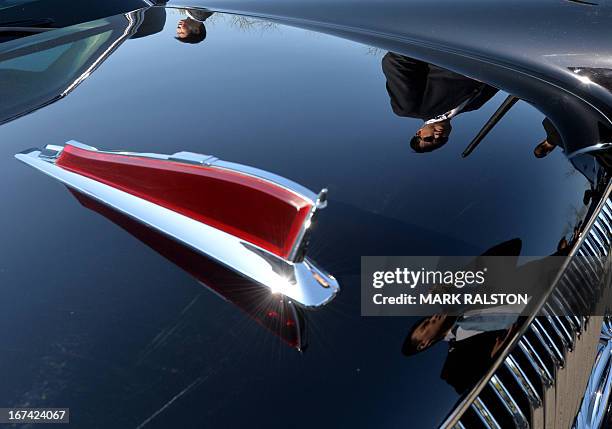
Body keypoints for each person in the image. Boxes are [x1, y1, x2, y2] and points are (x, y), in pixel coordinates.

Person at [382, 52, 498, 153]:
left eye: (429, 139)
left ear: (419, 132)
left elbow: (395, 61)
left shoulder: (410, 107)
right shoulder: (475, 105)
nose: (437, 136)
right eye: (442, 140)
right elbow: (501, 82)